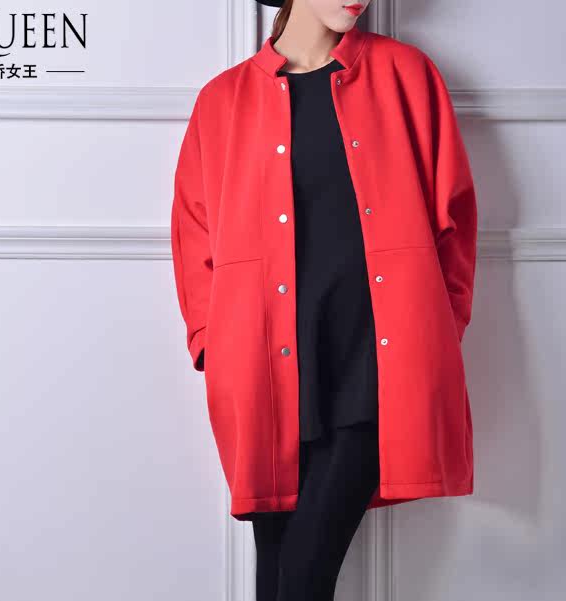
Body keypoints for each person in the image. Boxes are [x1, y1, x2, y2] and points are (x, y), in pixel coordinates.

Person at [170, 1, 478, 599]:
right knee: (277, 568)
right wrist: (211, 342)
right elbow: (193, 233)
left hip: (375, 359)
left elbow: (455, 218)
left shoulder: (406, 75)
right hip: (263, 364)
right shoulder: (222, 100)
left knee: (304, 576)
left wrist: (438, 327)